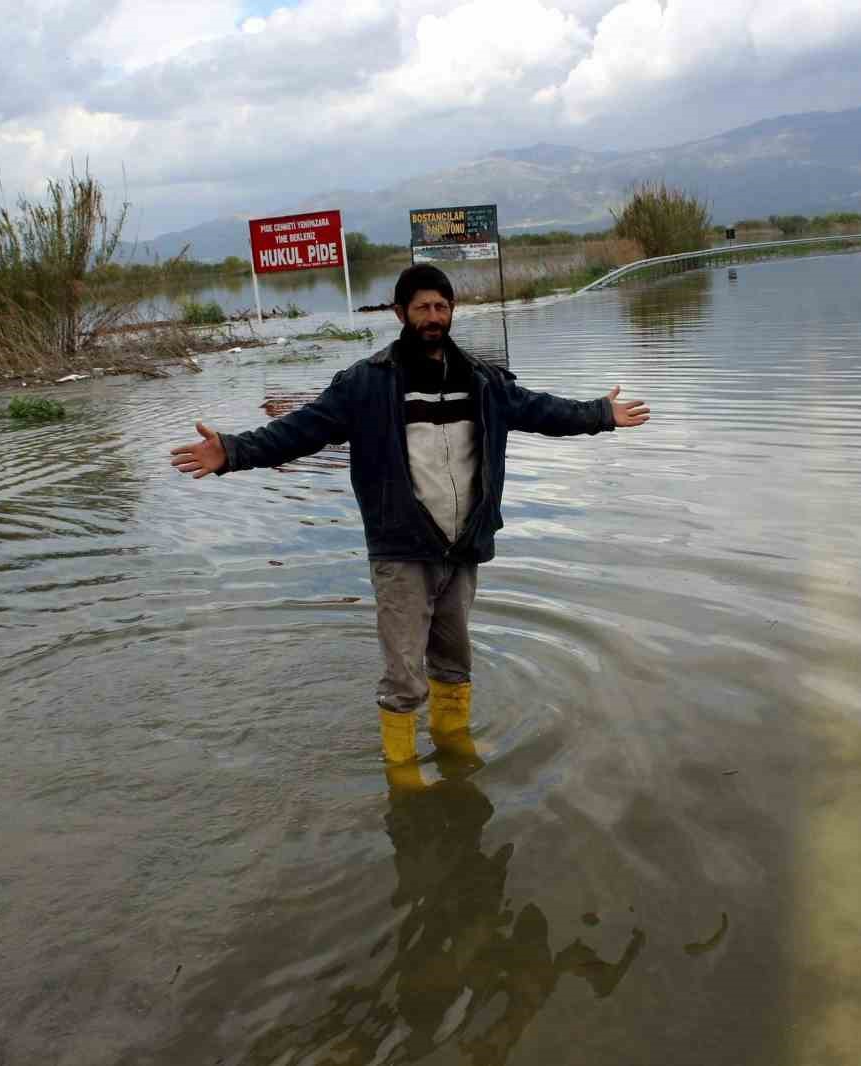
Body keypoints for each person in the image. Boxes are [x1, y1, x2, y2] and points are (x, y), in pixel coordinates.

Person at [169, 264, 650, 784]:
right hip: (402, 548)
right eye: (422, 307)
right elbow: (299, 431)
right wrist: (234, 450)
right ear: (401, 313)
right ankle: (402, 773)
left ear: (451, 313)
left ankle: (453, 743)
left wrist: (600, 414)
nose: (433, 317)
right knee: (403, 673)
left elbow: (541, 410)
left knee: (454, 660)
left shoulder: (482, 380)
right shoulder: (366, 384)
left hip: (461, 544)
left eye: (441, 307)